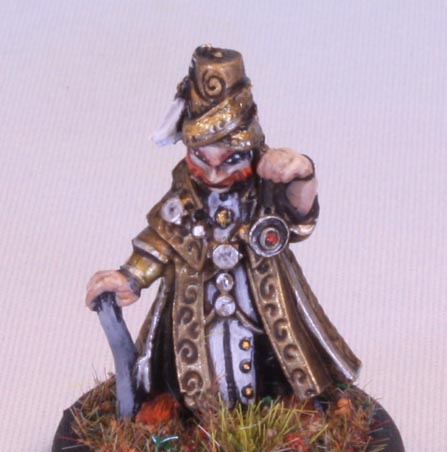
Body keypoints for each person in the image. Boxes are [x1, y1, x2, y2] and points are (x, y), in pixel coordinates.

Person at [86, 45, 361, 413]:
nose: (215, 174)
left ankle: (286, 409)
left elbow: (298, 218)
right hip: (195, 306)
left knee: (278, 360)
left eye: (230, 160)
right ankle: (191, 419)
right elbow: (161, 240)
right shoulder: (183, 198)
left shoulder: (266, 186)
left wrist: (302, 173)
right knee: (188, 369)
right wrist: (130, 277)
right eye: (202, 159)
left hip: (262, 302)